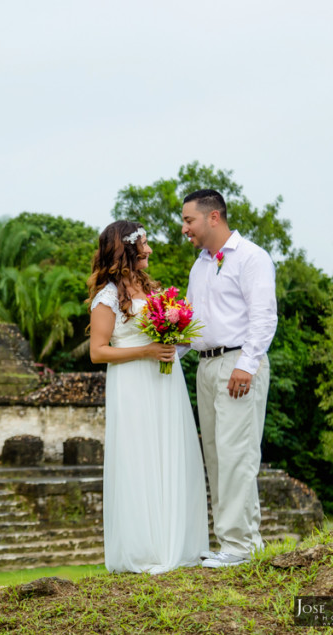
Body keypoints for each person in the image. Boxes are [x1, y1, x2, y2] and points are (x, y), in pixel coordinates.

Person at [88, 220, 208, 574]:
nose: (149, 249)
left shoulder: (150, 290)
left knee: (170, 452)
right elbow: (98, 351)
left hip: (164, 384)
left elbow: (165, 344)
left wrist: (177, 342)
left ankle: (175, 543)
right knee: (140, 456)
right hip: (132, 385)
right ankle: (145, 550)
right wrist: (146, 352)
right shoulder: (107, 296)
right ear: (126, 249)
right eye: (144, 243)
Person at [181, 189, 277, 569]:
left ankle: (239, 546)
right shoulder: (200, 265)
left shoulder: (252, 257)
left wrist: (247, 365)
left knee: (238, 455)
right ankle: (233, 542)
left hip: (238, 363)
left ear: (214, 217)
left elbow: (264, 316)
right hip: (206, 367)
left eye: (189, 220)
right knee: (217, 457)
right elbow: (189, 322)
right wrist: (164, 355)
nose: (185, 228)